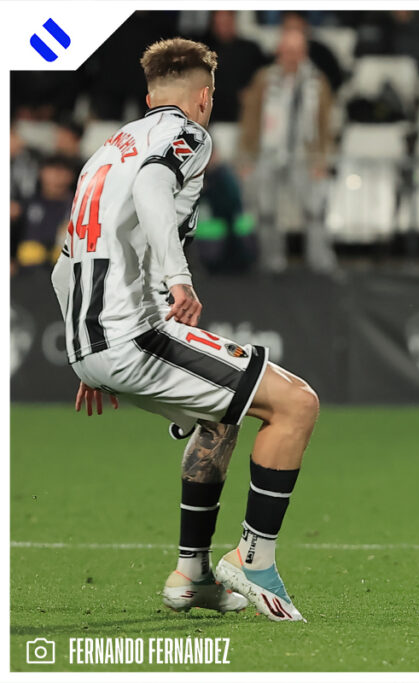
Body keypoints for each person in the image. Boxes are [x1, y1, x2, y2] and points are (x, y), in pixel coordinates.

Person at [50, 37, 319, 622]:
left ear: (149, 97)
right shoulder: (189, 135)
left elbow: (65, 258)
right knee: (296, 404)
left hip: (93, 337)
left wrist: (86, 344)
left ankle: (192, 574)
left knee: (221, 418)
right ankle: (254, 561)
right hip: (135, 331)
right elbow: (153, 186)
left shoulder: (103, 155)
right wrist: (180, 277)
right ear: (204, 97)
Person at [239, 26, 336, 273]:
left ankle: (320, 262)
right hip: (270, 150)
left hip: (304, 153)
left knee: (314, 210)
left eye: (297, 50)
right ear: (279, 51)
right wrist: (247, 155)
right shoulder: (264, 79)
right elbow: (251, 118)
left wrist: (323, 159)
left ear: (304, 52)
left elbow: (325, 124)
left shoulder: (317, 81)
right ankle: (271, 261)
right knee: (267, 210)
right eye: (288, 50)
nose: (292, 56)